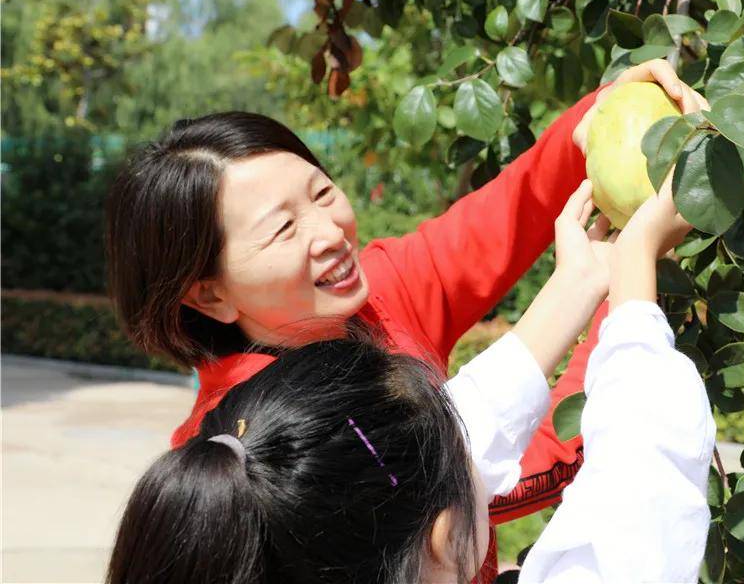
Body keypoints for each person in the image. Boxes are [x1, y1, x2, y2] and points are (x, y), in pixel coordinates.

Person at [103, 60, 707, 579]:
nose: (329, 232)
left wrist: (602, 119)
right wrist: (629, 301)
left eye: (320, 192)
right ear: (209, 296)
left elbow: (508, 213)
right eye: (283, 229)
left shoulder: (376, 291)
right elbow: (520, 465)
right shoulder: (248, 454)